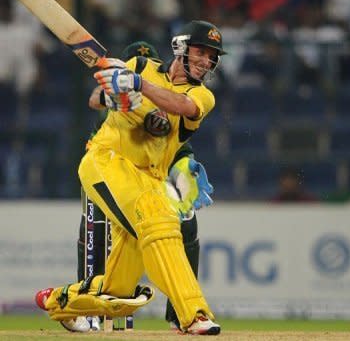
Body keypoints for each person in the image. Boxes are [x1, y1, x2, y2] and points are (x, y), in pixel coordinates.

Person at [35, 20, 226, 335]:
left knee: (120, 294)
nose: (207, 61)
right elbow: (99, 93)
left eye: (213, 57)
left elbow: (180, 105)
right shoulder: (140, 65)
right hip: (106, 161)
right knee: (159, 221)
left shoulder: (202, 95)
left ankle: (60, 300)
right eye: (201, 52)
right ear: (181, 48)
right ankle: (193, 314)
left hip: (148, 178)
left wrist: (138, 86)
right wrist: (113, 93)